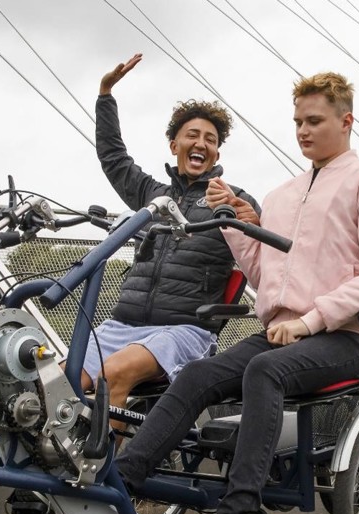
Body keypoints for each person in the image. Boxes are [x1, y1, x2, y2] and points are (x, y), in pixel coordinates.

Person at [116, 71, 359, 514]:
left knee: (263, 372)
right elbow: (264, 275)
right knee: (200, 372)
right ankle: (122, 482)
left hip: (343, 338)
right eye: (297, 121)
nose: (302, 130)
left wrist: (312, 319)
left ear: (346, 121)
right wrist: (232, 225)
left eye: (315, 121)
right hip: (281, 329)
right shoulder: (278, 195)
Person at [83, 53, 260, 431]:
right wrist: (105, 94)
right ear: (173, 144)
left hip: (184, 330)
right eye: (192, 135)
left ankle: (103, 482)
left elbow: (259, 242)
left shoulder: (230, 198)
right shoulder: (151, 193)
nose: (201, 144)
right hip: (123, 324)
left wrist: (240, 212)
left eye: (210, 140)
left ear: (216, 153)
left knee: (113, 373)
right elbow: (113, 158)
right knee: (60, 376)